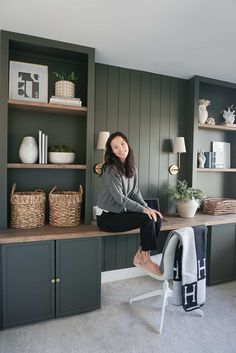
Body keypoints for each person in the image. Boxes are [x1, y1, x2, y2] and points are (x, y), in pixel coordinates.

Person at [96, 131, 163, 275]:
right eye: (115, 147)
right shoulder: (109, 169)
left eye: (122, 144)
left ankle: (142, 255)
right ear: (111, 151)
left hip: (120, 213)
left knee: (155, 217)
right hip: (107, 218)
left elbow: (134, 193)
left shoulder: (132, 168)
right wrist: (144, 211)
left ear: (127, 144)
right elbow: (120, 198)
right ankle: (145, 260)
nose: (121, 149)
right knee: (146, 217)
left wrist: (148, 208)